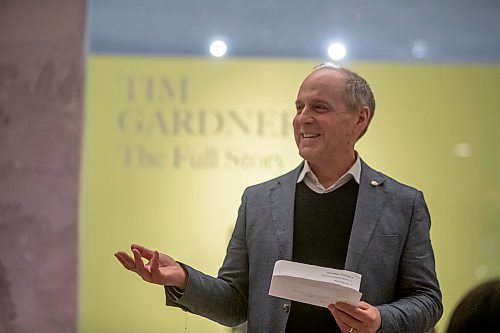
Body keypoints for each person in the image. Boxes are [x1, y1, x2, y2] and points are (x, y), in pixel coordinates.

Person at [114, 63, 443, 333]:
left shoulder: (404, 203)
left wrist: (381, 320)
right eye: (299, 107)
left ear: (359, 119)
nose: (303, 118)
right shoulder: (258, 201)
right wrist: (184, 279)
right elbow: (236, 304)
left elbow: (427, 301)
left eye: (319, 107)